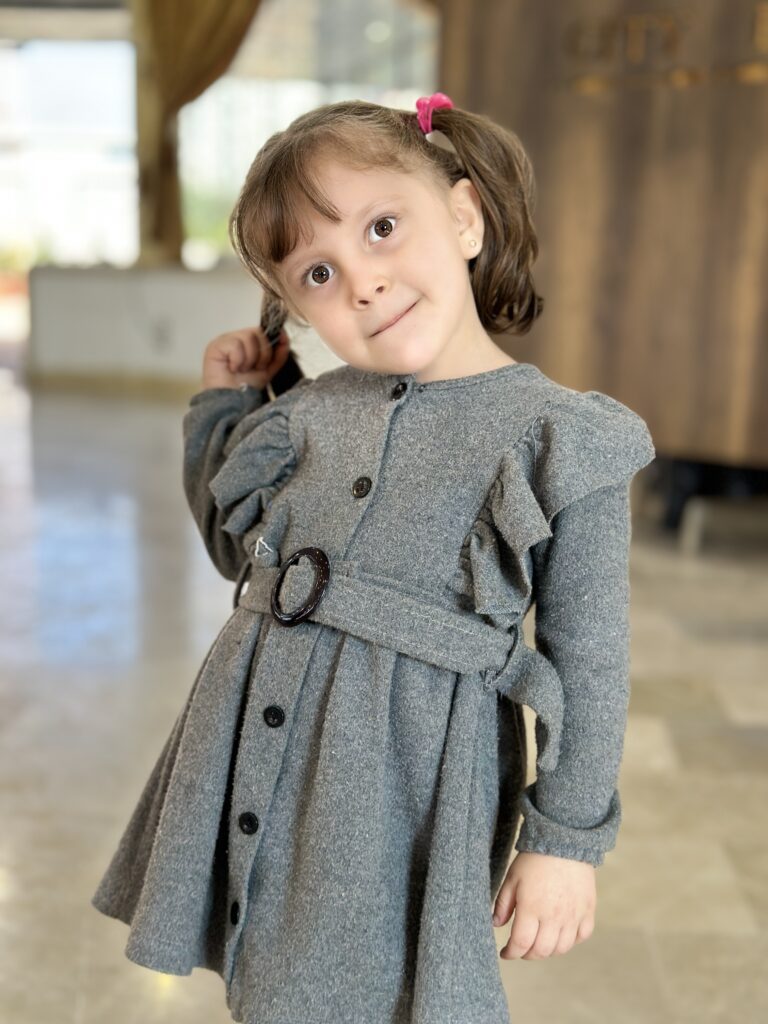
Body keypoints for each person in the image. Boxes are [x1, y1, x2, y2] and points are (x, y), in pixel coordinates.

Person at [91, 93, 656, 1024]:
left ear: (465, 217)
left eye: (382, 228)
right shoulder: (306, 414)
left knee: (381, 989)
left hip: (406, 780)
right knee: (268, 971)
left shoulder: (560, 437)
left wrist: (565, 841)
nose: (361, 283)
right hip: (259, 738)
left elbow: (591, 661)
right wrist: (226, 406)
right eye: (318, 272)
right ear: (294, 307)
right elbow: (238, 550)